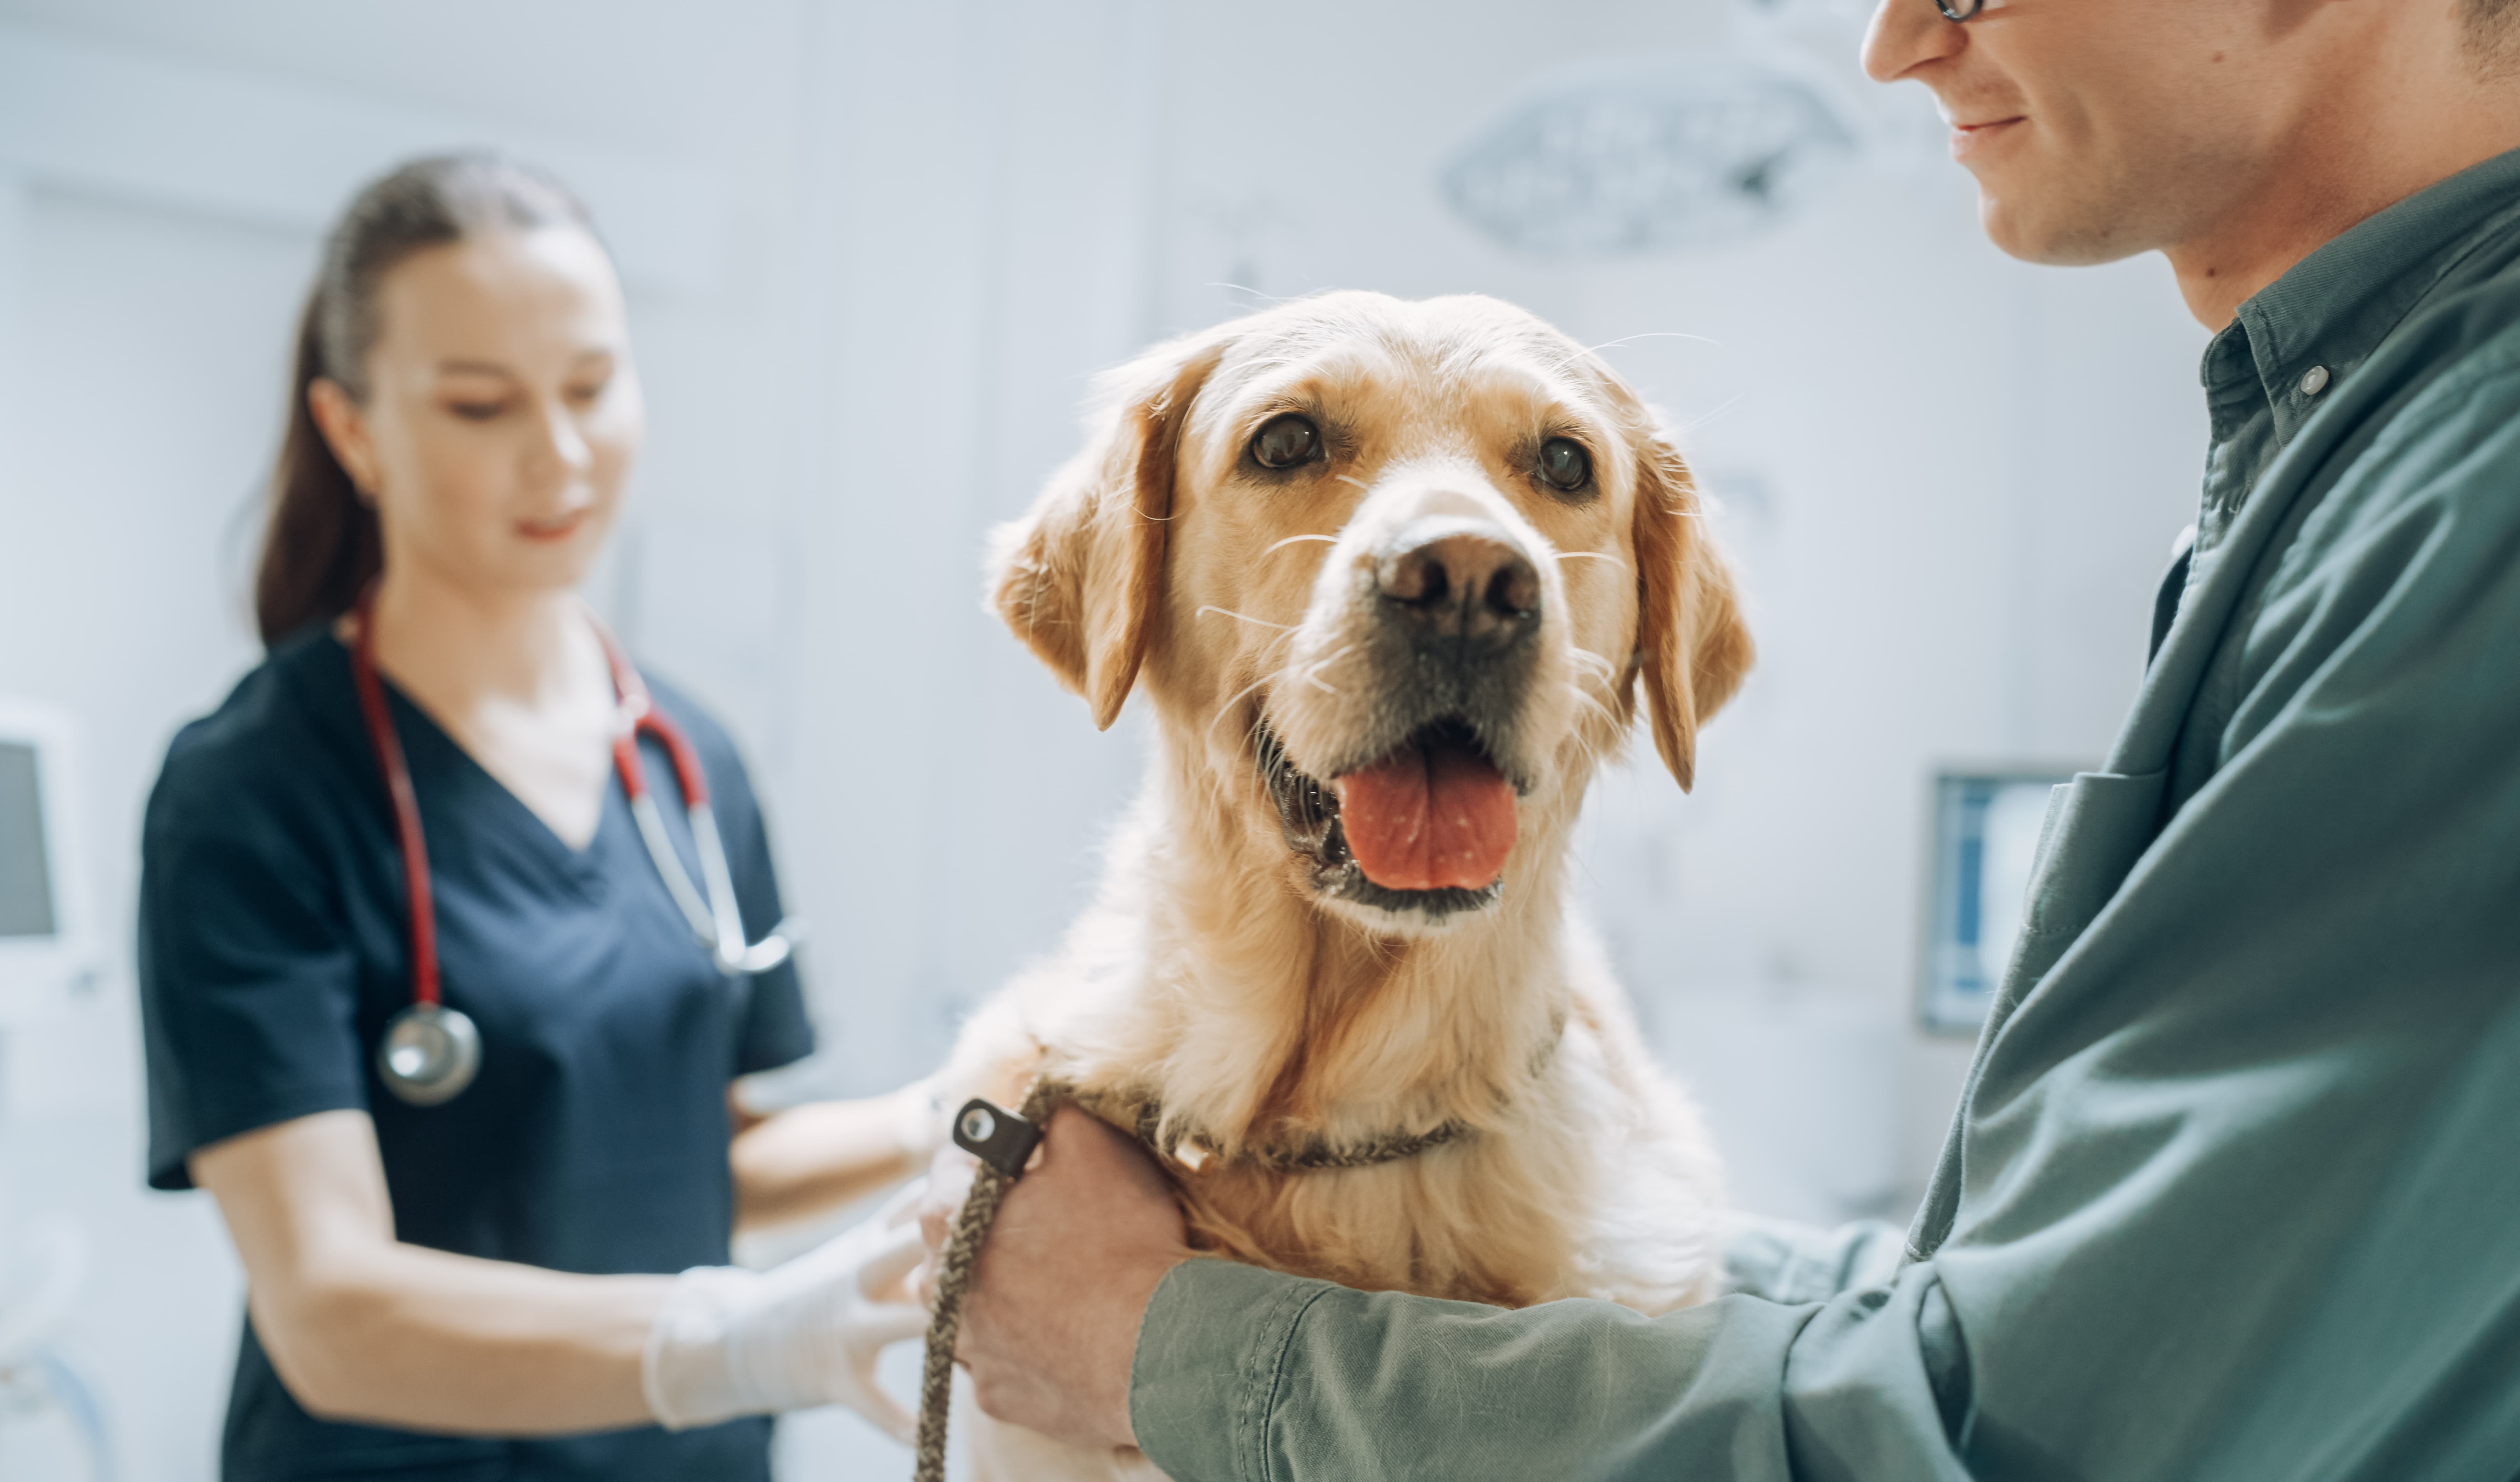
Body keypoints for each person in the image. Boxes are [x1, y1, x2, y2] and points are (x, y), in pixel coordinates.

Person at [921, 0, 2520, 1475]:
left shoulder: (2472, 500)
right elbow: (2042, 1303)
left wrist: (1151, 1342)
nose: (1894, 45)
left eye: (1556, 475)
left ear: (1645, 658)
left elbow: (2021, 1436)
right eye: (1293, 446)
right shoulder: (2346, 444)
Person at [139, 154, 936, 1481]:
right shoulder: (257, 791)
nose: (560, 456)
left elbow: (706, 1151)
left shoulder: (689, 766)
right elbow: (331, 1312)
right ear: (353, 433)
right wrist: (737, 1338)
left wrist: (966, 1105)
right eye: (478, 404)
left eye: (591, 387)